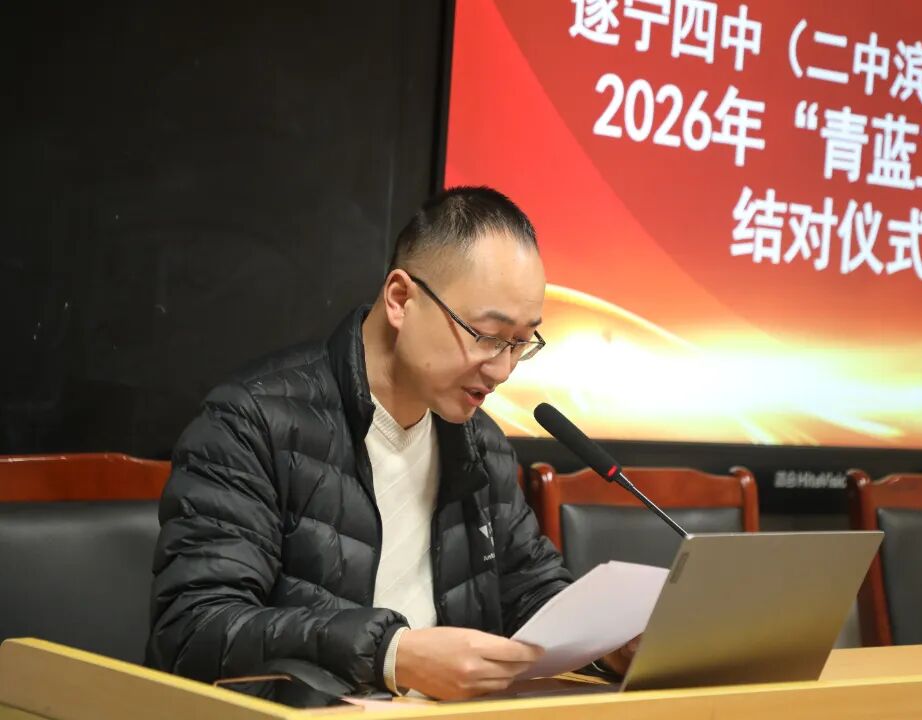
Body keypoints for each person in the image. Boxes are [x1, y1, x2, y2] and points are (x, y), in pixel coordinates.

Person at [147, 186, 633, 701]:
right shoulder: (254, 421)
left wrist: (609, 643)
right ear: (401, 299)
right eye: (487, 336)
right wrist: (391, 655)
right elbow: (195, 630)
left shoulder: (482, 444)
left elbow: (530, 590)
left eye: (520, 343)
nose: (502, 369)